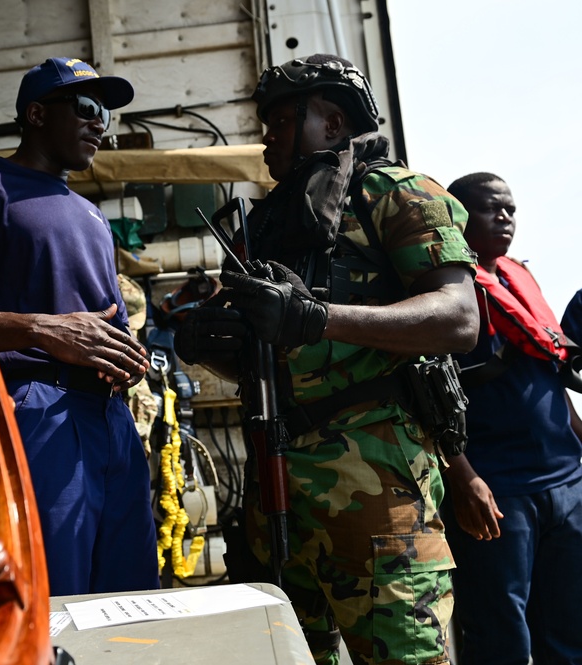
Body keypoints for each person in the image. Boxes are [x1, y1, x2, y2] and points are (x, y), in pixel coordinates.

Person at [175, 54, 479, 665]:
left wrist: (317, 316)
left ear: (333, 124)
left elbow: (459, 318)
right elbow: (269, 359)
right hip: (276, 488)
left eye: (281, 121)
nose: (266, 138)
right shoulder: (258, 228)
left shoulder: (396, 195)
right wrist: (211, 345)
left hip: (378, 485)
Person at [0, 57, 159, 597]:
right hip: (34, 414)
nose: (100, 122)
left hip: (110, 424)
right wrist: (40, 330)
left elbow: (105, 325)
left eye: (106, 112)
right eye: (86, 107)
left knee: (133, 598)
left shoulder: (92, 216)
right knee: (51, 601)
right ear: (35, 114)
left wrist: (128, 359)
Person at [443, 172, 582, 665]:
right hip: (499, 490)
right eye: (489, 208)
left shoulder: (519, 280)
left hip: (566, 481)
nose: (504, 217)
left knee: (569, 632)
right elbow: (422, 397)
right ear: (457, 218)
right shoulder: (445, 293)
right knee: (501, 638)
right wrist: (464, 480)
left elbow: (548, 372)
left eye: (510, 209)